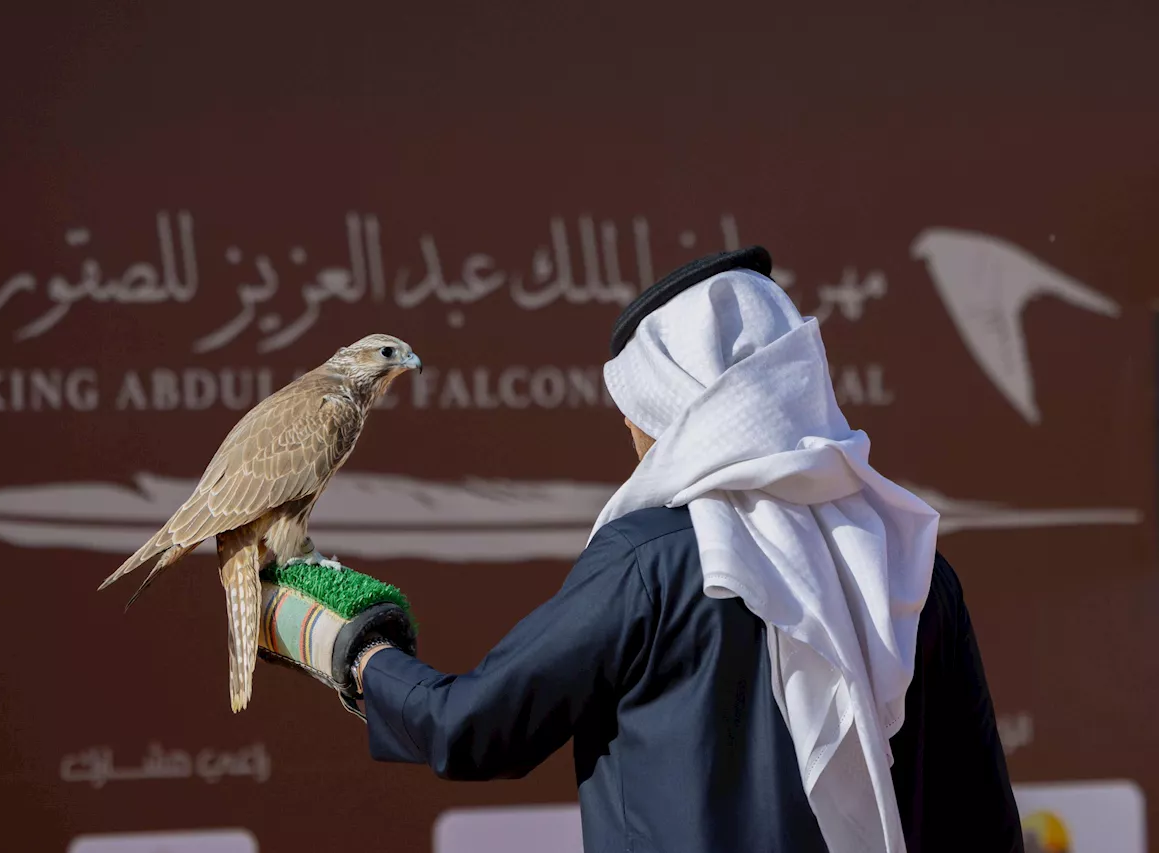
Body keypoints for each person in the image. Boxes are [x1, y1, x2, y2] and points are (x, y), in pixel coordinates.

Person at [351, 249, 1024, 853]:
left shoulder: (649, 565)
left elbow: (470, 726)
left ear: (677, 408)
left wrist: (355, 653)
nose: (630, 431)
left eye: (638, 411)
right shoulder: (914, 566)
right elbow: (985, 826)